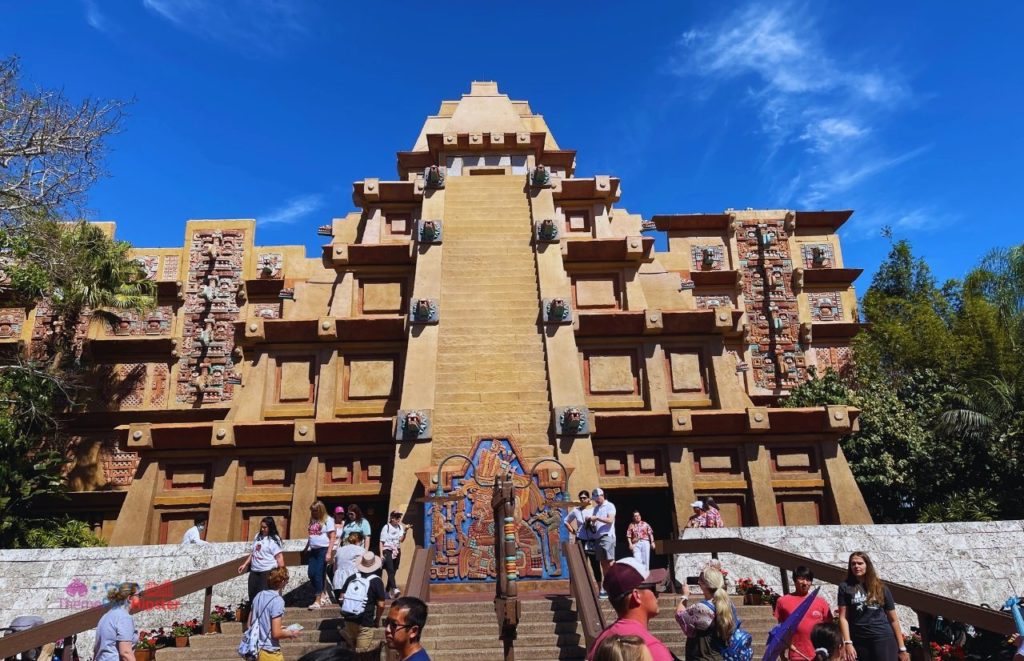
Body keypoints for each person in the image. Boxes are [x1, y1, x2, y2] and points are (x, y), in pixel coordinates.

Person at [587, 557, 672, 661]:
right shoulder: (651, 649)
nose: (658, 594)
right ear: (636, 596)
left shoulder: (600, 642)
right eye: (653, 588)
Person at [837, 551, 909, 661]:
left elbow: (893, 619)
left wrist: (902, 648)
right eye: (853, 564)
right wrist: (847, 642)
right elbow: (843, 617)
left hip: (882, 637)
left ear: (867, 565)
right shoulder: (845, 587)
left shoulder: (881, 587)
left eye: (860, 563)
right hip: (859, 639)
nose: (856, 566)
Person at [676, 565, 749, 661]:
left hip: (702, 657)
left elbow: (680, 615)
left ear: (702, 584)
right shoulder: (729, 604)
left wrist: (685, 595)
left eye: (700, 579)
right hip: (721, 656)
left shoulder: (702, 609)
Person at [775, 566, 834, 660]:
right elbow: (781, 629)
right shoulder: (783, 601)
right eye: (801, 579)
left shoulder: (821, 602)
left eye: (808, 580)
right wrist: (782, 654)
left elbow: (830, 630)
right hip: (796, 653)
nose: (805, 583)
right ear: (794, 580)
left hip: (819, 654)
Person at [251, 566, 302, 661]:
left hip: (255, 650)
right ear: (282, 582)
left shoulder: (259, 595)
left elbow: (251, 623)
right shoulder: (278, 600)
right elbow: (276, 633)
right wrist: (291, 633)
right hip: (269, 652)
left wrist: (279, 627)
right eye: (287, 580)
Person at [339, 551, 387, 653]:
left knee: (349, 654)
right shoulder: (376, 581)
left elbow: (341, 598)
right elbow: (381, 605)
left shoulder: (352, 578)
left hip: (348, 621)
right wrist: (377, 619)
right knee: (362, 655)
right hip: (365, 622)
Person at [238, 517, 286, 602]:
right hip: (254, 571)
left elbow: (279, 557)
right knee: (252, 595)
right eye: (261, 527)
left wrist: (281, 573)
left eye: (265, 527)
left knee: (263, 597)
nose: (262, 529)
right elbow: (253, 552)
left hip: (266, 571)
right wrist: (245, 564)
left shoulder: (274, 539)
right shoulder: (258, 536)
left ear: (270, 527)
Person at [94, 582, 139, 661]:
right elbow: (126, 653)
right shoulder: (124, 618)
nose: (140, 598)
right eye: (139, 595)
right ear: (129, 598)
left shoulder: (107, 615)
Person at [564, 490, 600, 586]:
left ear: (588, 499)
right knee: (581, 564)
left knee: (595, 564)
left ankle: (600, 588)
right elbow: (566, 521)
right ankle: (583, 586)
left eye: (584, 497)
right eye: (580, 498)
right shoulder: (576, 510)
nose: (582, 499)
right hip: (581, 540)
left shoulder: (594, 510)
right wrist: (573, 531)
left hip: (593, 539)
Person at [304, 501, 336, 609]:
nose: (313, 512)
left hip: (323, 549)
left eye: (315, 510)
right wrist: (306, 547)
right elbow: (311, 535)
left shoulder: (328, 520)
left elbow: (332, 536)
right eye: (312, 510)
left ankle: (317, 600)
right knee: (311, 573)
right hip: (313, 550)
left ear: (320, 510)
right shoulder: (313, 520)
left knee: (318, 573)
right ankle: (322, 593)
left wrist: (329, 552)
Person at [586, 488, 616, 591]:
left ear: (602, 495)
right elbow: (594, 522)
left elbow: (610, 520)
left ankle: (615, 584)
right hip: (598, 538)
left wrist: (597, 518)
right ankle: (608, 585)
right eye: (594, 499)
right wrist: (590, 521)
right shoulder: (596, 508)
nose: (596, 501)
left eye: (597, 498)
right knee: (603, 563)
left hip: (607, 536)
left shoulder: (610, 506)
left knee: (610, 562)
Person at [384, 596, 431, 661]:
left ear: (413, 631)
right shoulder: (406, 656)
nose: (387, 629)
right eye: (386, 622)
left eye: (394, 625)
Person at [380, 510, 412, 599]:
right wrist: (381, 554)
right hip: (387, 549)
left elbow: (401, 540)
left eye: (399, 517)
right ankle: (394, 588)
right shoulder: (386, 527)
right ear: (392, 518)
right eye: (396, 517)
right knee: (390, 569)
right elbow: (381, 541)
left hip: (396, 550)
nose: (398, 519)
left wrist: (405, 531)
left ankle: (387, 589)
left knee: (394, 569)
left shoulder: (400, 527)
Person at [333, 531, 366, 600]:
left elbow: (335, 568)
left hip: (338, 580)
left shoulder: (339, 550)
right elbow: (364, 567)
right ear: (360, 541)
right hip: (353, 579)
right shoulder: (361, 550)